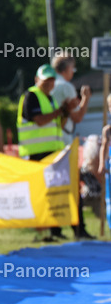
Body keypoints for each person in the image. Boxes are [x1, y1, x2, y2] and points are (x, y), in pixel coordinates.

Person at [17, 64, 74, 242]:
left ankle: (55, 230)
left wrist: (65, 111)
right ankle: (42, 230)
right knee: (40, 192)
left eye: (51, 80)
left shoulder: (51, 99)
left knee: (54, 192)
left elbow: (58, 125)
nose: (49, 83)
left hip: (51, 152)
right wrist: (59, 111)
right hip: (35, 153)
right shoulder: (31, 96)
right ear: (37, 80)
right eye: (45, 80)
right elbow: (40, 121)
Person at [51, 53, 93, 239]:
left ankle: (55, 229)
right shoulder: (65, 87)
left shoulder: (49, 86)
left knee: (55, 187)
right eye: (72, 69)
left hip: (51, 141)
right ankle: (79, 228)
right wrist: (85, 98)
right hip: (65, 141)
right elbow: (77, 117)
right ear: (66, 69)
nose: (73, 73)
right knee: (73, 185)